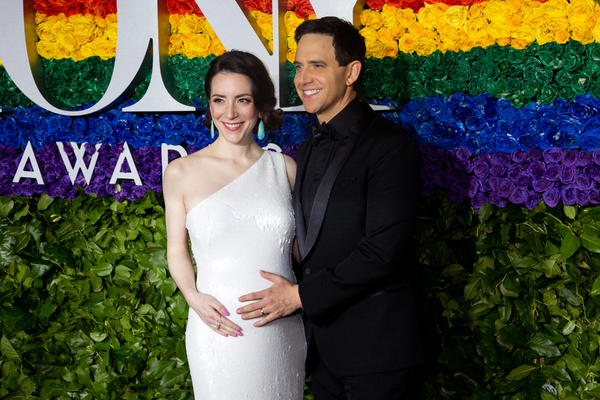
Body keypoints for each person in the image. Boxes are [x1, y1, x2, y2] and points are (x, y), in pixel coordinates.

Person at [236, 17, 428, 399]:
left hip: (380, 351)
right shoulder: (307, 148)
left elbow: (383, 252)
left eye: (318, 65)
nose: (303, 77)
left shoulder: (391, 147)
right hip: (323, 354)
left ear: (352, 71)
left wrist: (298, 297)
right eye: (298, 66)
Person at [164, 50, 306, 399]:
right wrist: (193, 297)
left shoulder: (285, 168)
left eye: (242, 100)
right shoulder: (181, 171)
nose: (229, 113)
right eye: (219, 100)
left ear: (259, 105)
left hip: (281, 326)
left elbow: (306, 251)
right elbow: (176, 249)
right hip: (217, 328)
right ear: (210, 106)